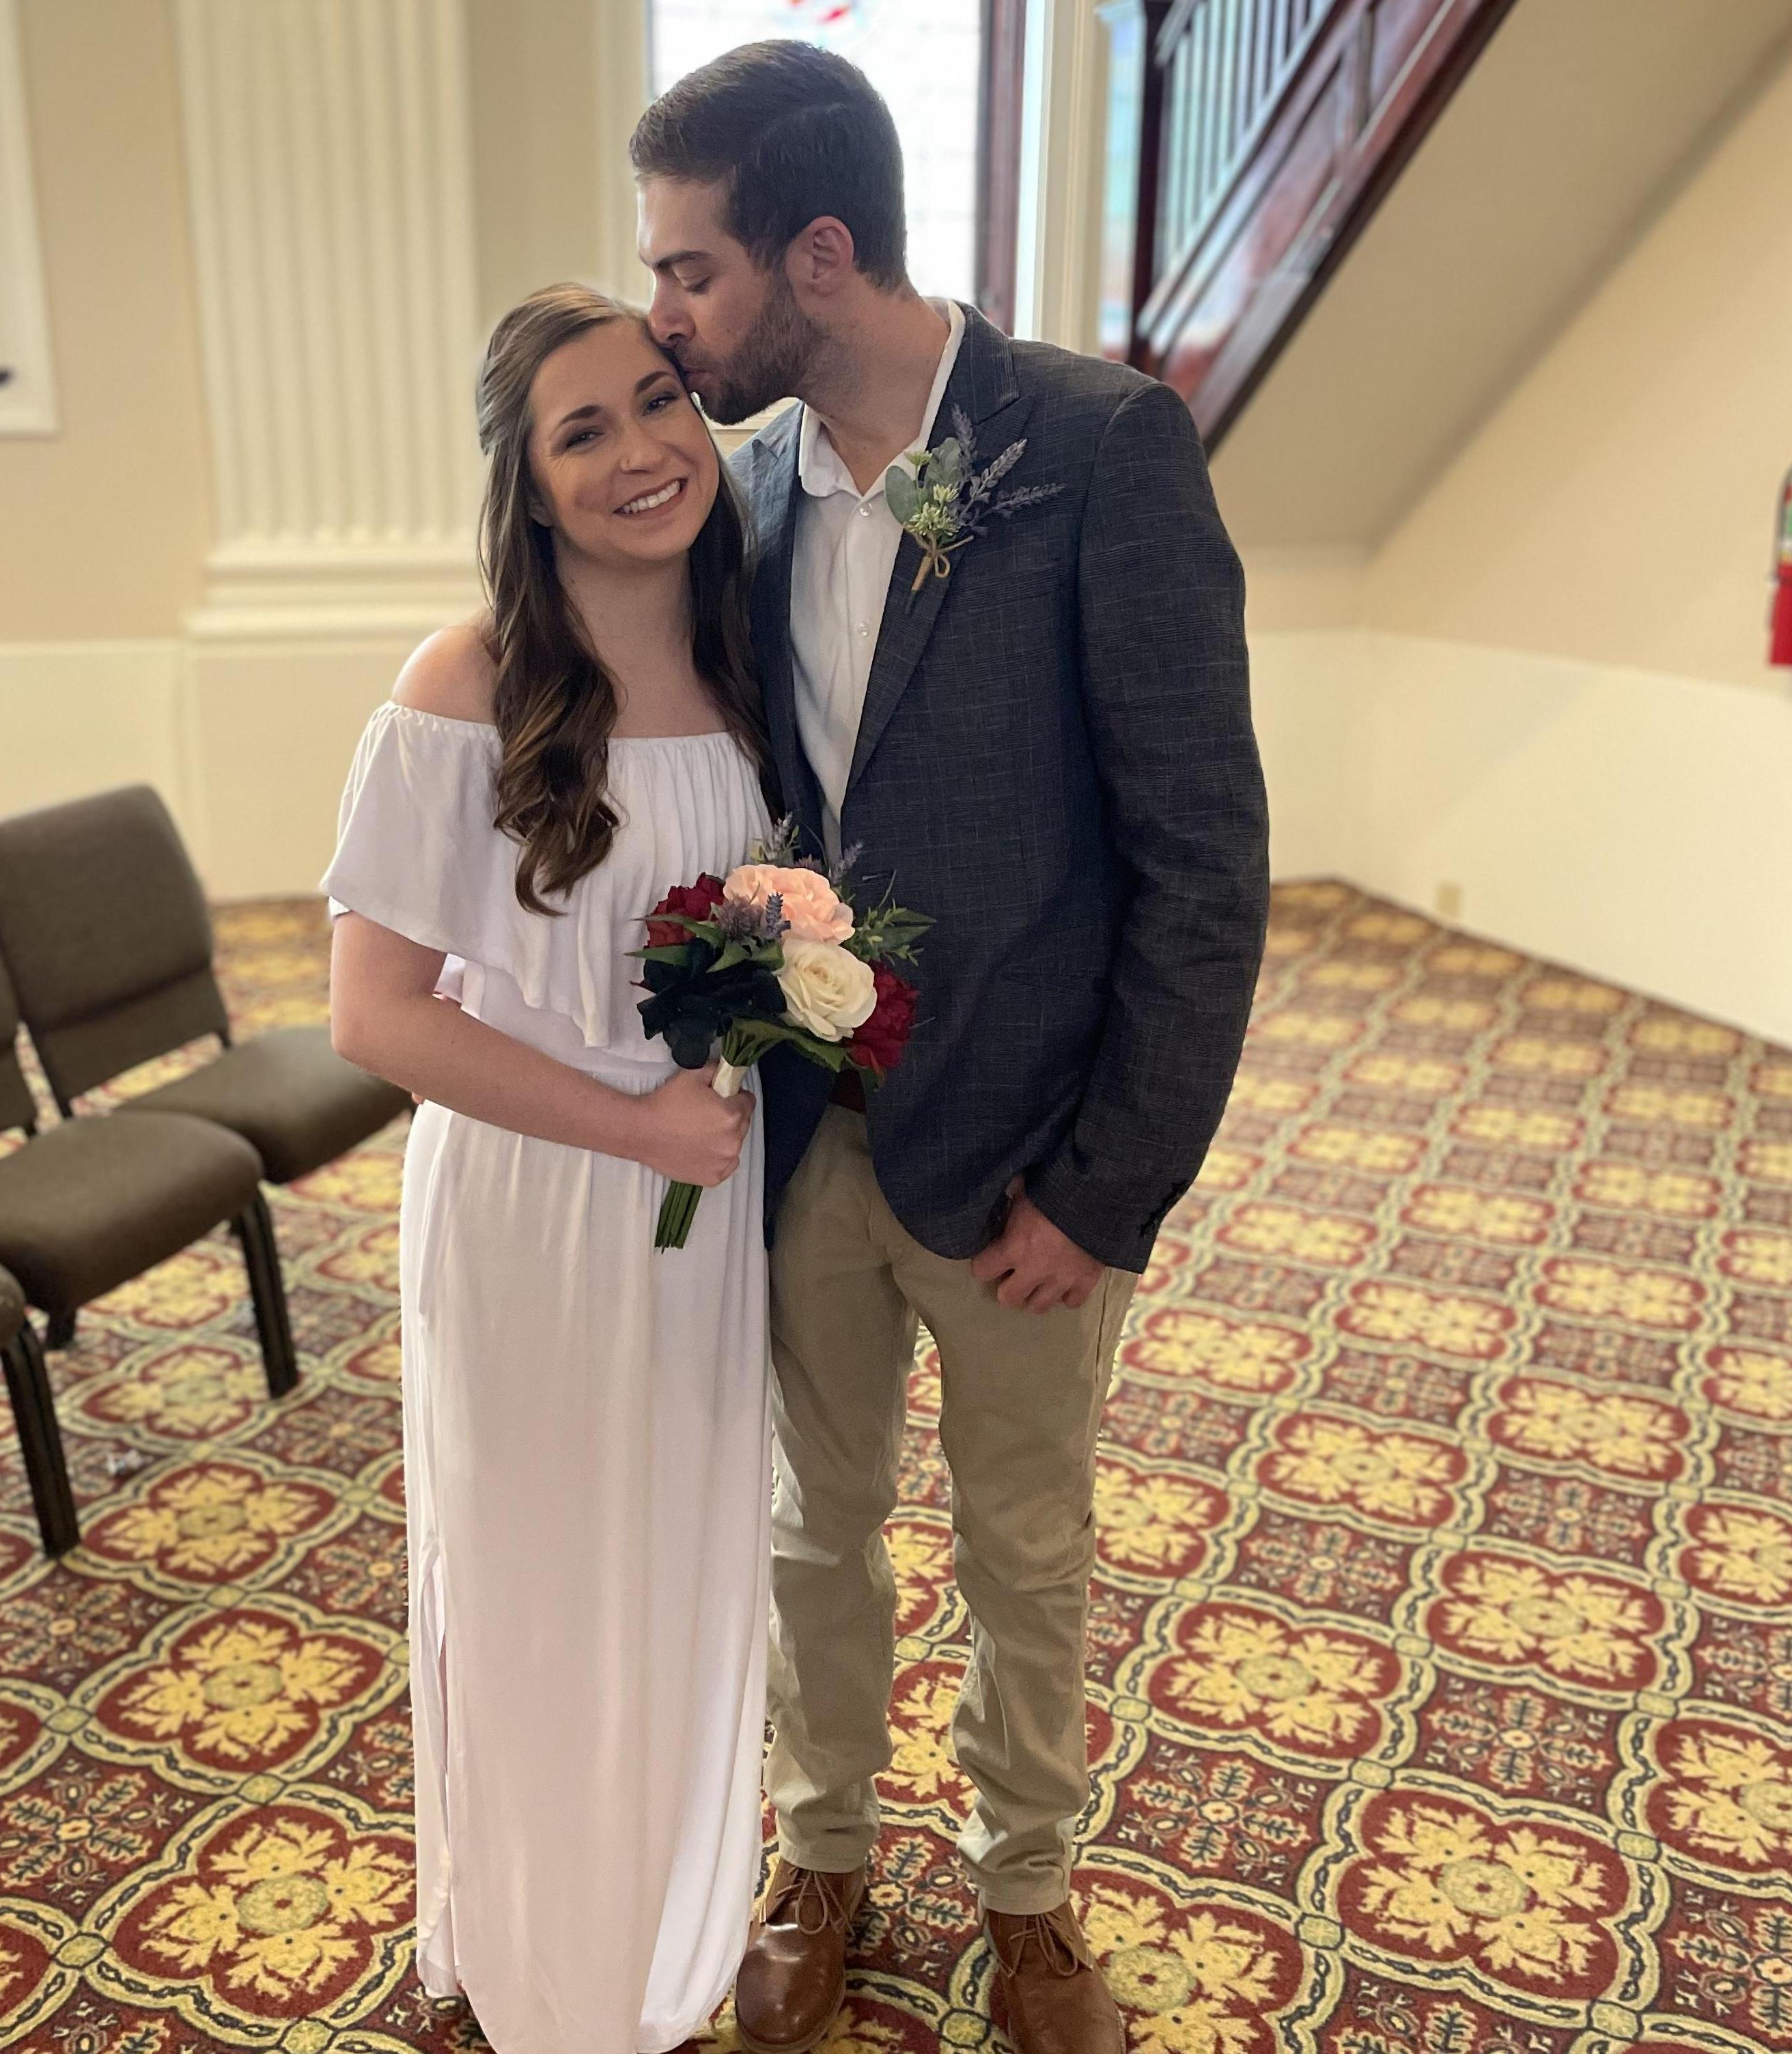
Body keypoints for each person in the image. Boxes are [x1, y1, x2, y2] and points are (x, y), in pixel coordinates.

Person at [632, 43, 1271, 2054]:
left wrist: (1110, 1184)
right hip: (806, 1123)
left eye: (691, 271)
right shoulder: (742, 487)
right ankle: (823, 1850)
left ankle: (1029, 1894)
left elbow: (1203, 859)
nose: (666, 318)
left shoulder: (1100, 447)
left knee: (1026, 1545)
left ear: (818, 255)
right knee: (811, 1524)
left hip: (1023, 1153)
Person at [322, 284, 778, 2054]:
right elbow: (373, 1015)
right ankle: (545, 1973)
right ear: (524, 484)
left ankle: (657, 1936)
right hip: (537, 1201)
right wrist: (639, 1127)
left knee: (680, 1566)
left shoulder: (750, 658)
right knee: (538, 1584)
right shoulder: (465, 686)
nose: (640, 451)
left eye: (658, 400)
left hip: (708, 1209)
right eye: (582, 431)